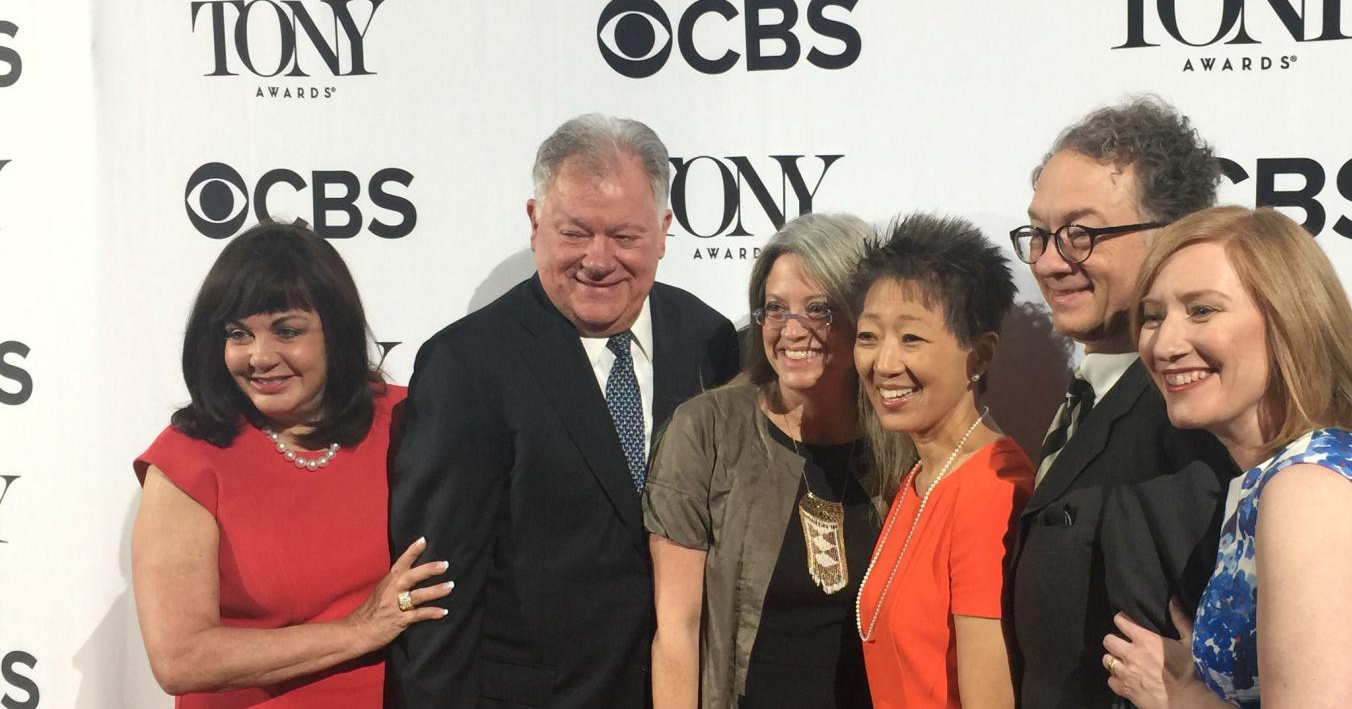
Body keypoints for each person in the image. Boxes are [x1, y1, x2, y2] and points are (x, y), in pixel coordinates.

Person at [389, 114, 742, 708]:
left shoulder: (707, 338)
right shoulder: (467, 366)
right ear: (534, 223)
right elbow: (436, 597)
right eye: (575, 233)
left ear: (664, 230)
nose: (598, 260)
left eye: (625, 237)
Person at [1102, 206, 1352, 708]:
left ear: (1290, 319)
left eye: (1202, 310)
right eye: (1153, 317)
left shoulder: (1309, 494)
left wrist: (1177, 696)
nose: (1164, 344)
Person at [131, 222, 448, 707]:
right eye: (239, 334)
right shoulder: (189, 457)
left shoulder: (411, 419)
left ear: (336, 333)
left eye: (287, 331)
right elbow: (181, 658)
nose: (259, 357)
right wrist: (362, 629)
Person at [1004, 96, 1238, 709]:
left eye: (1081, 234)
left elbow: (1161, 654)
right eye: (1039, 234)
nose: (1051, 261)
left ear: (1173, 237)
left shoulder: (1184, 417)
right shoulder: (1092, 391)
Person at [645, 212, 912, 709]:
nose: (792, 331)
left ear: (862, 316)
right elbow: (676, 630)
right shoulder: (707, 429)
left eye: (818, 309)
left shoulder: (903, 436)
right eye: (775, 309)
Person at [851, 213, 1033, 709]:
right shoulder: (921, 472)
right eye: (868, 336)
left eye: (911, 338)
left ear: (980, 355)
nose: (883, 364)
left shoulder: (990, 488)